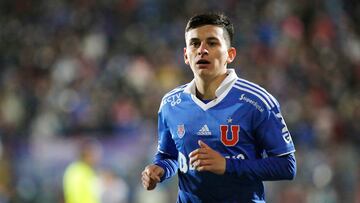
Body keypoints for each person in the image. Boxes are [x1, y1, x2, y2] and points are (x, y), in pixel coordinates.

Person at [141, 13, 296, 203]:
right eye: (195, 43)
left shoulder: (257, 102)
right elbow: (169, 155)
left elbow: (287, 166)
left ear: (230, 54)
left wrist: (227, 165)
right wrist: (159, 170)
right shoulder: (170, 104)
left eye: (212, 43)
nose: (202, 50)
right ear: (186, 55)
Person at [63, 137, 102, 203]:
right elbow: (76, 197)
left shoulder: (88, 171)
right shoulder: (77, 172)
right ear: (87, 153)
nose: (97, 158)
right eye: (95, 154)